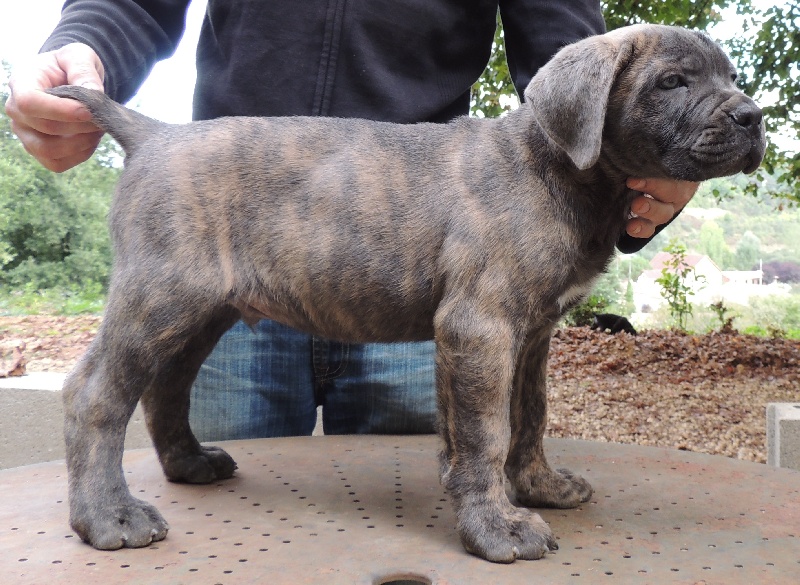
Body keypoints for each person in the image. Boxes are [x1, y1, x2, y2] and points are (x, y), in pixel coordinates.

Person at [5, 1, 697, 440]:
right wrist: (86, 45)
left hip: (426, 244)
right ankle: (165, 451)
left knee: (400, 516)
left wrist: (642, 157)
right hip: (228, 199)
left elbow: (570, 56)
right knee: (228, 528)